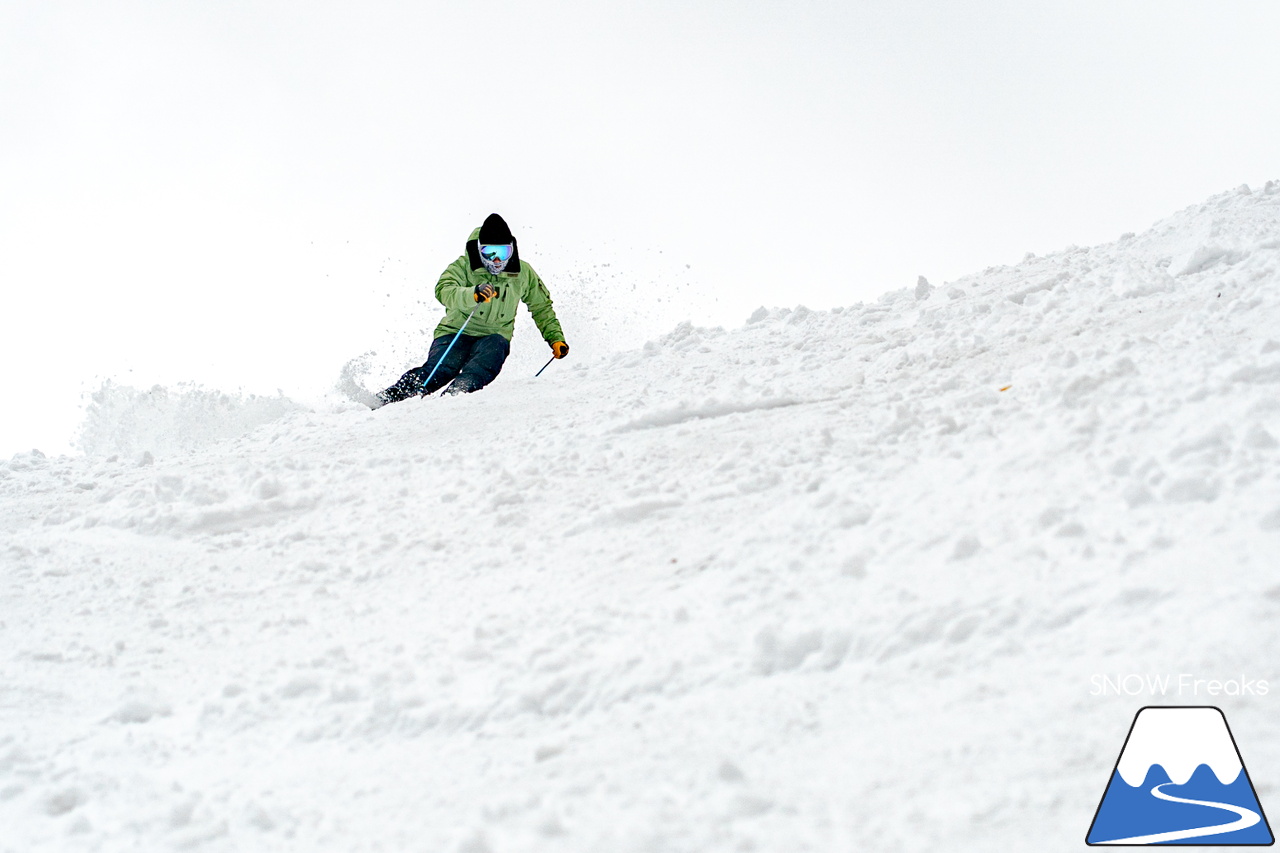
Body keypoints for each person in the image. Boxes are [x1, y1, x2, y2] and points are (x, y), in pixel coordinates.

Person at [375, 213, 568, 406]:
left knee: (481, 367)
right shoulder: (464, 266)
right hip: (456, 331)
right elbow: (444, 290)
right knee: (441, 369)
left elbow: (541, 307)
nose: (497, 261)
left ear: (512, 250)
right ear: (479, 250)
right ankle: (387, 399)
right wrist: (472, 294)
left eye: (503, 253)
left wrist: (555, 338)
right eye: (489, 253)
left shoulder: (522, 273)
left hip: (494, 336)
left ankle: (455, 398)